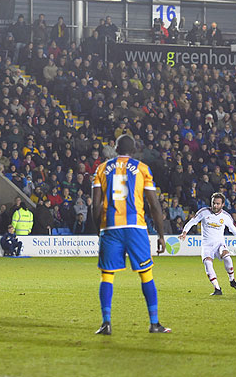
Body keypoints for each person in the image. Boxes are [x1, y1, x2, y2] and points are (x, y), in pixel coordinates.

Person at [92, 134, 170, 335]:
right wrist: (161, 235)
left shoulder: (101, 169)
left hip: (110, 227)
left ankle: (106, 323)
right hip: (136, 227)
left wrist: (99, 230)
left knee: (107, 275)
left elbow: (95, 206)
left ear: (116, 149)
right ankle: (154, 323)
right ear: (134, 150)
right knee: (146, 274)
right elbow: (154, 205)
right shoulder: (142, 168)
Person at [179, 193, 236, 296]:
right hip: (207, 245)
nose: (215, 206)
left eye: (217, 204)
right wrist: (184, 232)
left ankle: (232, 280)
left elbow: (235, 231)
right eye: (213, 203)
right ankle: (217, 289)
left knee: (227, 257)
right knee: (208, 264)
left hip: (219, 244)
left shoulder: (226, 216)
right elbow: (192, 222)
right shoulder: (204, 212)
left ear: (223, 204)